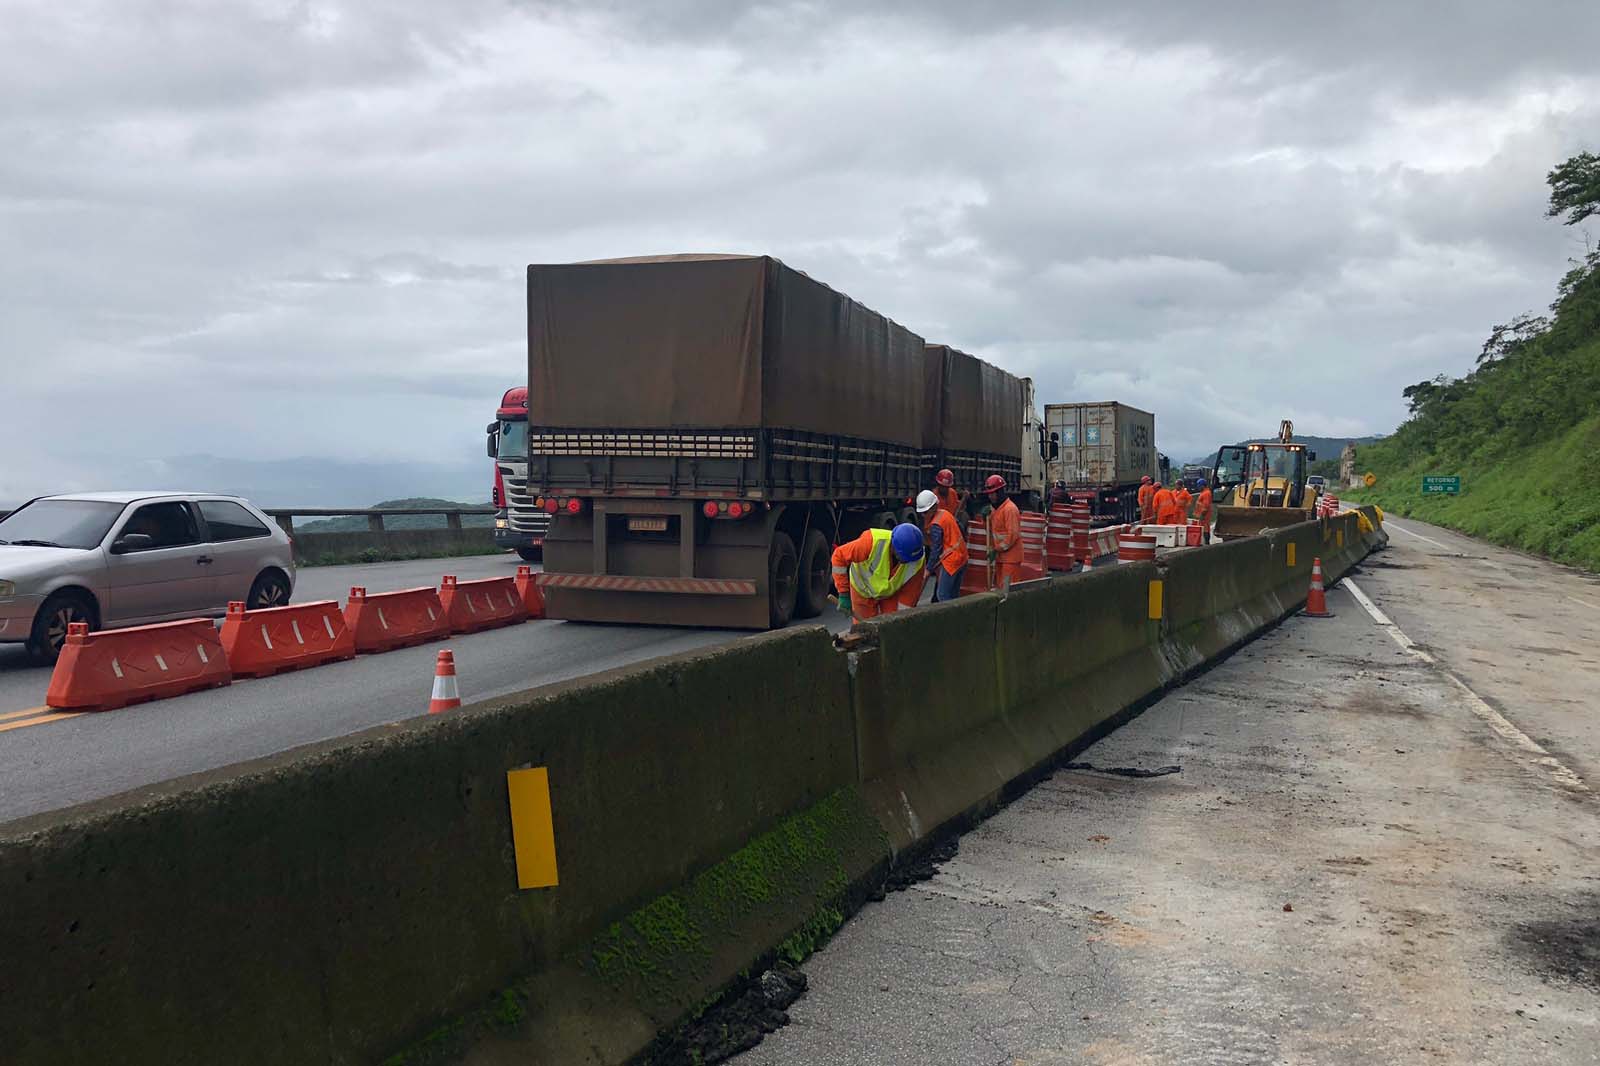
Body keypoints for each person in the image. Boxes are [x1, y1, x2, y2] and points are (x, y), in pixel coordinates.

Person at [830, 522, 927, 621]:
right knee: (864, 630)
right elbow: (839, 556)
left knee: (892, 623)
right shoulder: (871, 542)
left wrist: (901, 620)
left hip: (889, 594)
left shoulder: (917, 560)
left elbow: (910, 595)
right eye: (904, 558)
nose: (908, 562)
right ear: (894, 547)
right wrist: (843, 594)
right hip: (862, 590)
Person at [915, 489, 968, 603]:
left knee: (942, 595)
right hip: (962, 557)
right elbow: (961, 528)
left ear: (933, 508)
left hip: (952, 561)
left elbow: (935, 550)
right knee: (953, 594)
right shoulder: (945, 513)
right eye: (922, 513)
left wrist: (928, 569)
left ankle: (947, 619)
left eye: (925, 512)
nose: (923, 515)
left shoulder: (936, 525)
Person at [982, 474, 1024, 592]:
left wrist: (996, 549)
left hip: (1011, 558)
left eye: (993, 493)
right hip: (1001, 557)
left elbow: (1012, 535)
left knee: (1008, 590)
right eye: (989, 493)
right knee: (1001, 589)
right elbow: (990, 531)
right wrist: (984, 519)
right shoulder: (995, 509)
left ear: (1000, 492)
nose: (991, 496)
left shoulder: (1010, 509)